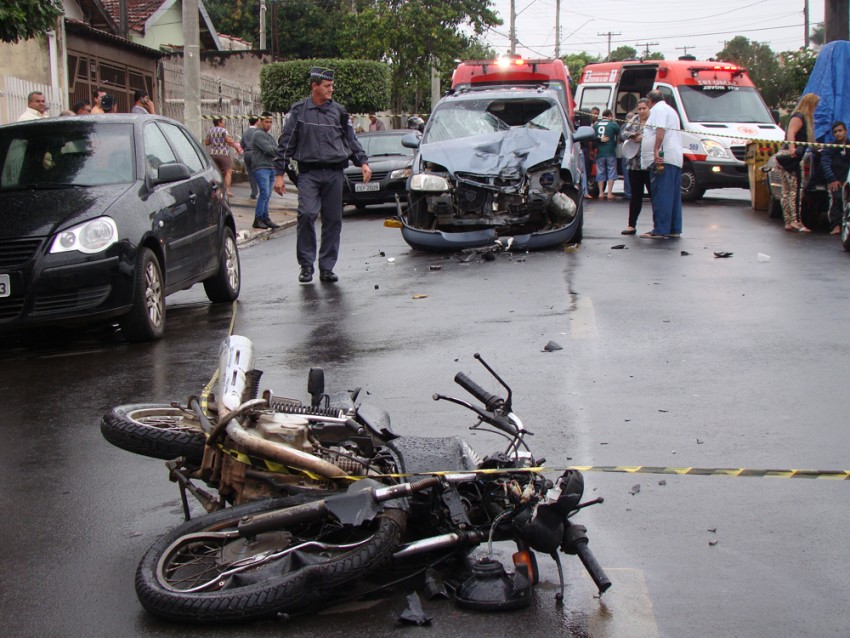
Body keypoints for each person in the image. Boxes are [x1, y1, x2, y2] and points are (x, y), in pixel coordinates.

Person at [273, 66, 372, 283]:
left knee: (333, 220)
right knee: (307, 214)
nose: (331, 90)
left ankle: (327, 267)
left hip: (335, 173)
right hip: (309, 174)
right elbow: (286, 142)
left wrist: (363, 162)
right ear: (314, 86)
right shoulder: (299, 111)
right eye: (327, 86)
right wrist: (279, 173)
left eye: (332, 86)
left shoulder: (339, 112)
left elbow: (350, 140)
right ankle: (306, 266)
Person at [639, 90, 683, 239]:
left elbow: (660, 129)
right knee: (673, 195)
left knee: (661, 194)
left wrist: (656, 149)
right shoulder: (671, 110)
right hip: (674, 157)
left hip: (664, 157)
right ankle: (673, 228)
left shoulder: (657, 110)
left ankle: (661, 229)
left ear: (650, 101)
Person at [779, 93, 819, 233]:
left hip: (783, 157)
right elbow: (791, 132)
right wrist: (792, 149)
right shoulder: (800, 117)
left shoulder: (798, 116)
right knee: (794, 190)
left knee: (786, 191)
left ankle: (789, 221)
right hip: (791, 158)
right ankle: (795, 221)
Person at [620, 98, 652, 234]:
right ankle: (631, 224)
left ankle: (659, 225)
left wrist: (643, 137)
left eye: (644, 108)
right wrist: (633, 135)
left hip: (650, 165)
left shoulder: (653, 121)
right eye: (639, 109)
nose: (642, 111)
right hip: (634, 164)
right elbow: (623, 133)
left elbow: (658, 136)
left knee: (654, 196)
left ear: (649, 108)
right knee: (635, 196)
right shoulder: (634, 120)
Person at [249, 112, 281, 230]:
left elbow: (276, 148)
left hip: (271, 167)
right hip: (261, 167)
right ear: (261, 122)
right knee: (264, 194)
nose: (268, 124)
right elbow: (270, 150)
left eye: (270, 122)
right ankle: (258, 219)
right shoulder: (258, 134)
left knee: (267, 195)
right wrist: (274, 149)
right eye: (266, 122)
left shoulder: (269, 136)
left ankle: (265, 217)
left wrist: (274, 149)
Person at [821, 120, 850, 235]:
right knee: (836, 198)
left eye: (840, 131)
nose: (838, 134)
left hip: (847, 179)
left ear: (846, 131)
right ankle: (836, 225)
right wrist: (832, 179)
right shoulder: (829, 147)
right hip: (835, 180)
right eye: (835, 132)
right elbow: (825, 164)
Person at [205, 116, 242, 198]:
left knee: (216, 172)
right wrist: (237, 147)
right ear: (219, 122)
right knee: (228, 172)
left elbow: (207, 142)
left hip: (213, 154)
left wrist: (215, 141)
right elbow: (228, 140)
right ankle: (227, 190)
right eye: (223, 121)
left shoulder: (210, 131)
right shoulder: (223, 130)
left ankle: (215, 190)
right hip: (223, 153)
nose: (224, 123)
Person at [594, 109, 620, 200]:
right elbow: (619, 135)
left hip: (600, 152)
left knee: (600, 172)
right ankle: (609, 193)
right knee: (611, 171)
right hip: (610, 151)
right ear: (610, 116)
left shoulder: (596, 125)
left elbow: (592, 137)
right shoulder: (613, 125)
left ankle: (601, 192)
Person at [240, 116, 260, 199]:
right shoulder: (258, 132)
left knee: (250, 172)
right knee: (259, 172)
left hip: (247, 153)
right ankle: (263, 190)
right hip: (255, 153)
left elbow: (241, 144)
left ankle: (254, 192)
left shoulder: (245, 132)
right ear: (257, 121)